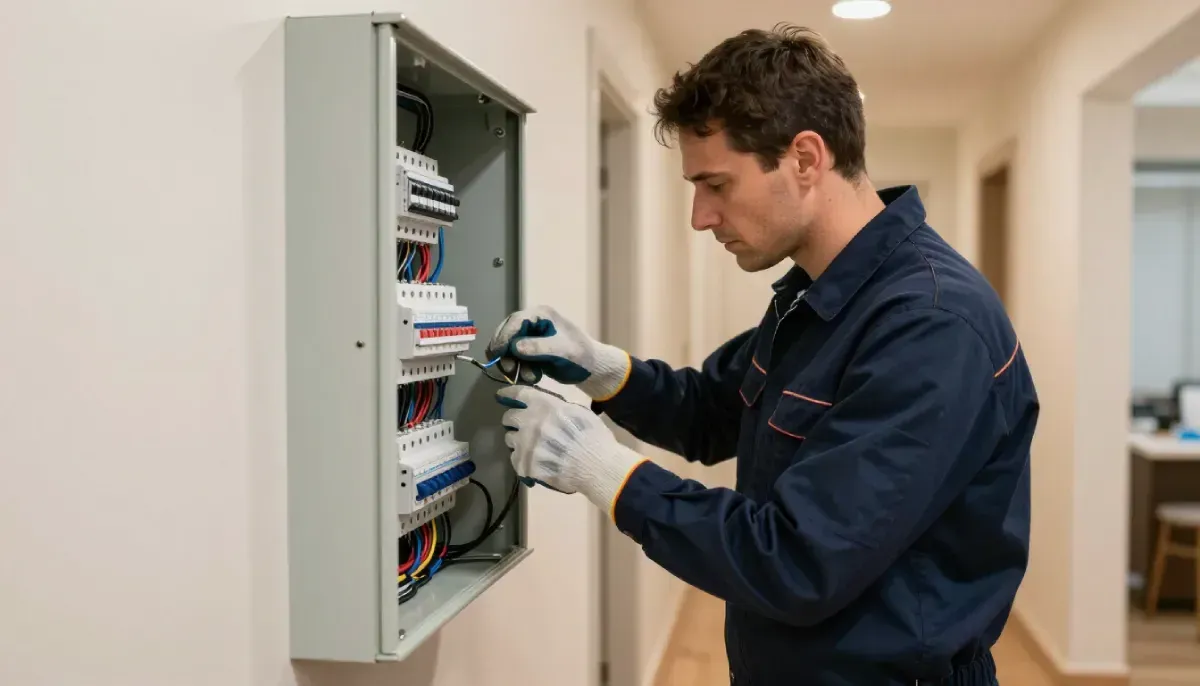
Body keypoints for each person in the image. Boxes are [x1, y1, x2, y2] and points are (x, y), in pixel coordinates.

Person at [488, 23, 1036, 686]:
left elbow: (799, 561)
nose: (700, 216)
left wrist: (605, 472)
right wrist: (603, 368)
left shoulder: (930, 325)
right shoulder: (819, 294)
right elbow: (710, 410)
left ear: (806, 159)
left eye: (716, 185)